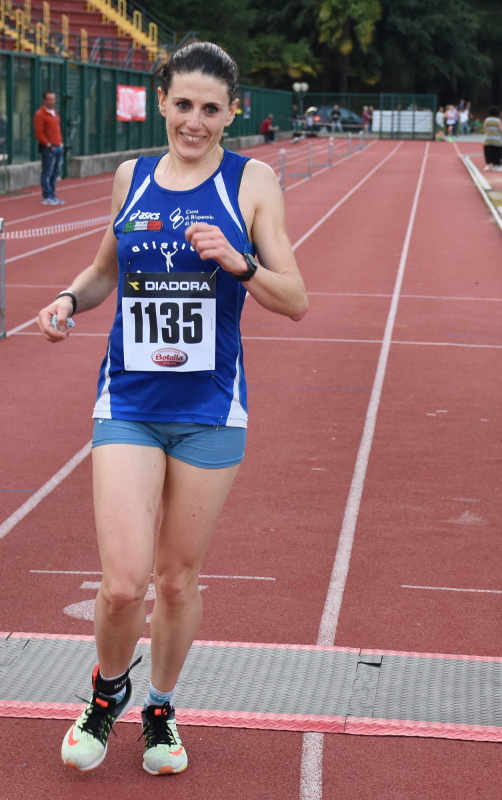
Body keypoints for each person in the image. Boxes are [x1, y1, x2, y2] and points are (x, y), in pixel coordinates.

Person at [38, 40, 308, 777]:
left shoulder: (251, 183)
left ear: (232, 113)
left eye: (210, 109)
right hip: (127, 398)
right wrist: (67, 300)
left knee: (176, 580)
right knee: (123, 582)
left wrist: (240, 261)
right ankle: (106, 693)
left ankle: (159, 707)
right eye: (183, 104)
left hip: (210, 408)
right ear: (162, 102)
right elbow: (102, 273)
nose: (195, 121)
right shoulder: (131, 176)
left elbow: (297, 300)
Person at [34, 89, 64, 205]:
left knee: (56, 172)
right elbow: (39, 132)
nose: (51, 102)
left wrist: (60, 142)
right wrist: (48, 145)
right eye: (49, 99)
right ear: (44, 100)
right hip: (49, 148)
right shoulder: (40, 114)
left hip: (58, 146)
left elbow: (57, 129)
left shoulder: (55, 112)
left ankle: (53, 194)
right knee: (47, 171)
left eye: (53, 99)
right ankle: (47, 195)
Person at [482, 105, 502, 170]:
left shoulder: (487, 120)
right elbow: (501, 130)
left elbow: (485, 130)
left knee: (488, 152)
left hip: (488, 139)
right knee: (497, 152)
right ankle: (495, 164)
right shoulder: (498, 120)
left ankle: (489, 164)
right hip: (497, 139)